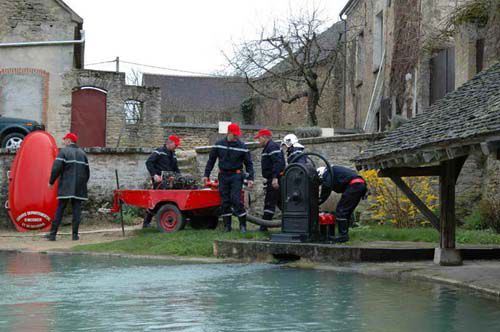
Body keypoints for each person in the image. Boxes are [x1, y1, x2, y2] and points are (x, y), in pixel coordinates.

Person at [203, 123, 254, 233]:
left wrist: (251, 178)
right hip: (223, 175)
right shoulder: (218, 145)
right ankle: (227, 226)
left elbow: (249, 164)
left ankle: (243, 226)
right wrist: (206, 175)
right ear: (228, 133)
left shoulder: (242, 147)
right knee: (224, 201)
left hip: (236, 175)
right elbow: (211, 161)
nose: (236, 137)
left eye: (237, 135)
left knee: (236, 199)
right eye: (234, 135)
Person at [46, 132, 90, 241]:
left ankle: (52, 235)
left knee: (60, 208)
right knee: (76, 210)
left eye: (65, 139)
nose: (64, 141)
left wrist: (51, 182)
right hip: (79, 186)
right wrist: (83, 183)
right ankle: (75, 235)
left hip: (66, 185)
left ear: (69, 140)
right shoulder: (83, 154)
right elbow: (87, 172)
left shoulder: (64, 152)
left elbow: (56, 168)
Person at [317, 165, 367, 243]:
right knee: (347, 212)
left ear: (320, 174)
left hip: (354, 185)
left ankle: (343, 236)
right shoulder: (334, 171)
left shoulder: (327, 173)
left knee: (341, 211)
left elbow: (326, 188)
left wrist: (319, 201)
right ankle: (344, 235)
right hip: (360, 185)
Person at [142, 135, 181, 228]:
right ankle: (146, 222)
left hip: (170, 180)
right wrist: (154, 175)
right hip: (159, 181)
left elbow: (176, 168)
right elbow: (149, 163)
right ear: (170, 143)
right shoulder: (159, 151)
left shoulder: (173, 154)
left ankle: (169, 218)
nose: (177, 147)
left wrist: (179, 176)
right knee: (157, 201)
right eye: (176, 145)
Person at [255, 128, 285, 232]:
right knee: (281, 203)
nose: (258, 141)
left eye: (259, 138)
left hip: (275, 179)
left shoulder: (271, 147)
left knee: (269, 202)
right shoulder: (269, 147)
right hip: (274, 178)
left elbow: (278, 162)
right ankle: (291, 223)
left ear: (264, 137)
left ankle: (263, 226)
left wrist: (275, 178)